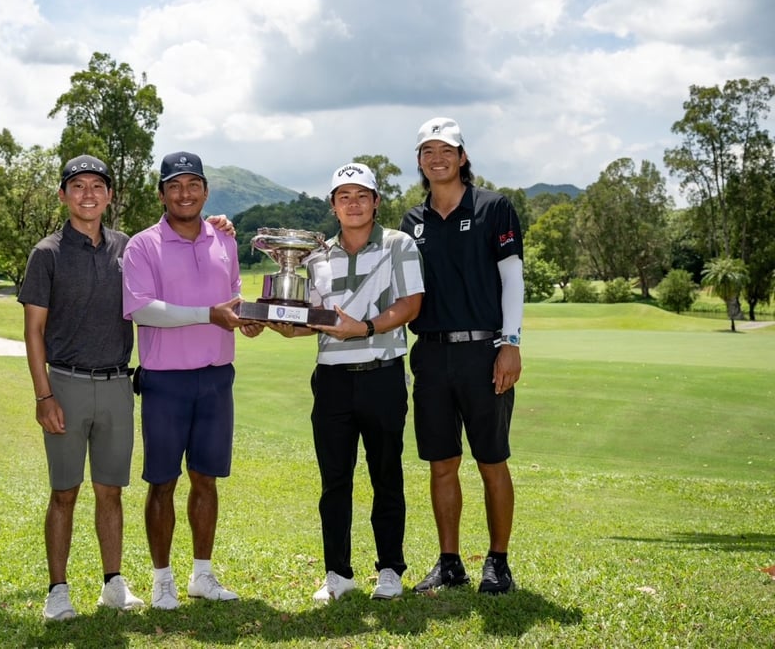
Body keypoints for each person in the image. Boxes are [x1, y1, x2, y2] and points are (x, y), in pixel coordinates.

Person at [269, 162, 424, 602]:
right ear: (333, 206)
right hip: (332, 380)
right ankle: (337, 573)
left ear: (376, 202)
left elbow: (411, 303)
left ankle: (390, 569)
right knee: (334, 480)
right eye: (344, 197)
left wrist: (366, 328)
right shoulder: (317, 256)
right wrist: (288, 327)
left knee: (386, 475)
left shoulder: (398, 244)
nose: (353, 204)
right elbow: (318, 320)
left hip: (382, 374)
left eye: (361, 196)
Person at [121, 150, 264, 610]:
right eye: (175, 186)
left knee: (206, 479)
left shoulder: (224, 240)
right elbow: (141, 309)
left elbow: (233, 297)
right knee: (162, 482)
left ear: (205, 190)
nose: (185, 194)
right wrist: (209, 314)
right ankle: (162, 580)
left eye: (193, 185)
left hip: (217, 378)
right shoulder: (142, 245)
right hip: (165, 382)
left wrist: (247, 319)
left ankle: (202, 575)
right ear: (162, 194)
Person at [400, 117, 524, 595]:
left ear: (462, 156)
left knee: (491, 460)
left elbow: (512, 278)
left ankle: (498, 561)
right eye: (428, 151)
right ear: (419, 160)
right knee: (441, 462)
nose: (437, 159)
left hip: (484, 351)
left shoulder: (494, 207)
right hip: (431, 355)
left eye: (446, 150)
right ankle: (449, 562)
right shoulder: (412, 222)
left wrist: (510, 343)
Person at [18, 154, 144, 619]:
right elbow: (33, 331)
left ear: (109, 196)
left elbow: (169, 251)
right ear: (63, 195)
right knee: (64, 492)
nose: (88, 194)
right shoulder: (46, 253)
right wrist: (43, 395)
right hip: (66, 385)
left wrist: (217, 227)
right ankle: (58, 591)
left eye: (97, 186)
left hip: (117, 384)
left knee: (111, 491)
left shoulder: (127, 247)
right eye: (78, 186)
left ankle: (113, 584)